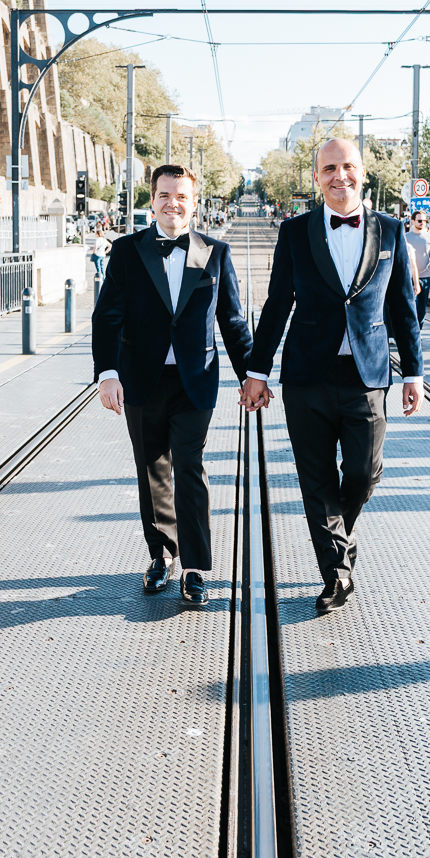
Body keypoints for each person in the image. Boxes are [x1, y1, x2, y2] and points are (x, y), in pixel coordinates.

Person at [240, 137, 422, 613]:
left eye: (347, 167)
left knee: (363, 473)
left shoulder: (390, 230)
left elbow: (403, 307)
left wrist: (414, 373)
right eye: (329, 169)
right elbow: (277, 305)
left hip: (368, 375)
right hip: (307, 375)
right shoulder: (294, 232)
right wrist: (256, 371)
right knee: (315, 477)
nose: (339, 176)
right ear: (317, 177)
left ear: (363, 172)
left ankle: (338, 538)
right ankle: (337, 573)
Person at [92, 163, 256, 605]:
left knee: (188, 465)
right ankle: (161, 555)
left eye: (181, 196)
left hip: (194, 380)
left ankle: (195, 567)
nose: (172, 203)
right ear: (152, 200)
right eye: (164, 195)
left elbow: (232, 321)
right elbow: (106, 318)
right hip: (140, 380)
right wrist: (107, 374)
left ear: (194, 202)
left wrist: (251, 375)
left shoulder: (216, 253)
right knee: (152, 469)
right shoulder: (127, 251)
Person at [405, 209, 430, 325]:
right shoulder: (405, 237)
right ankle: (409, 330)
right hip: (408, 277)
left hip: (425, 277)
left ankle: (418, 330)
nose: (422, 223)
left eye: (425, 221)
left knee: (421, 308)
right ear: (413, 221)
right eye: (420, 220)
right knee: (408, 307)